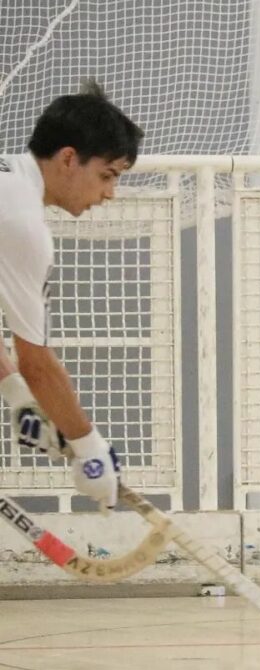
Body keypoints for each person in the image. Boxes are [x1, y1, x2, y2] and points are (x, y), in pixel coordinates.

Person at [0, 81, 142, 508]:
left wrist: (15, 392)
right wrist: (90, 448)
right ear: (67, 158)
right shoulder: (21, 223)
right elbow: (38, 364)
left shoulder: (9, 183)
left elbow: (29, 374)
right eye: (106, 176)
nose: (110, 194)